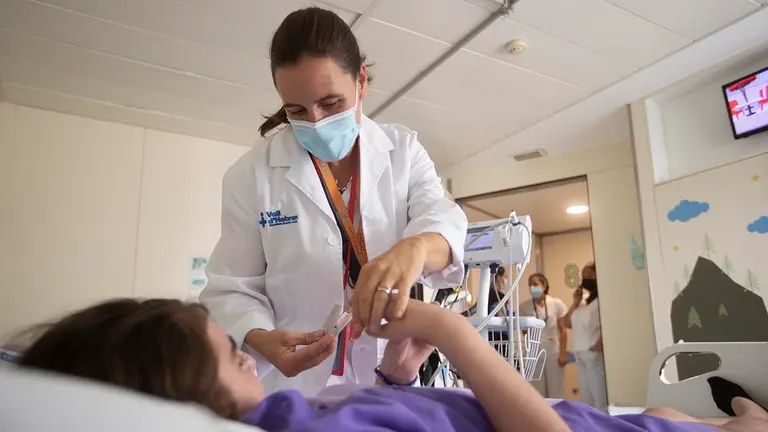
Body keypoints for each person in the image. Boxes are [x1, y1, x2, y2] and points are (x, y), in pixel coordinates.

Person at [199, 7, 467, 396]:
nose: (316, 121)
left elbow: (444, 222)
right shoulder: (251, 175)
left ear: (361, 80)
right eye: (296, 111)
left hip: (384, 377)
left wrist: (415, 249)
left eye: (331, 103)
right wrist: (259, 337)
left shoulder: (403, 152)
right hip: (292, 388)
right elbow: (230, 287)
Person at [18, 298, 768, 432]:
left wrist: (398, 378)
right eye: (226, 350)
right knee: (699, 422)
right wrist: (452, 333)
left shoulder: (287, 414)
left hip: (581, 416)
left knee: (668, 412)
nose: (243, 350)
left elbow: (373, 418)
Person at [563, 262, 608, 412]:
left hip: (594, 356)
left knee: (600, 402)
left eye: (589, 275)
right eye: (584, 276)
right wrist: (575, 303)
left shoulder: (602, 301)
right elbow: (566, 322)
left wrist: (600, 343)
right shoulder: (583, 304)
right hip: (580, 356)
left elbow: (609, 324)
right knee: (587, 402)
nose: (585, 279)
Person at [520, 273, 569, 399]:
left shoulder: (556, 303)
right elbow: (524, 332)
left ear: (544, 285)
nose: (532, 287)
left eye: (535, 284)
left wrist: (563, 353)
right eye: (530, 285)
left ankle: (557, 417)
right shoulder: (524, 307)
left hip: (553, 352)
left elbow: (563, 331)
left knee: (556, 392)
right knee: (537, 393)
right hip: (534, 354)